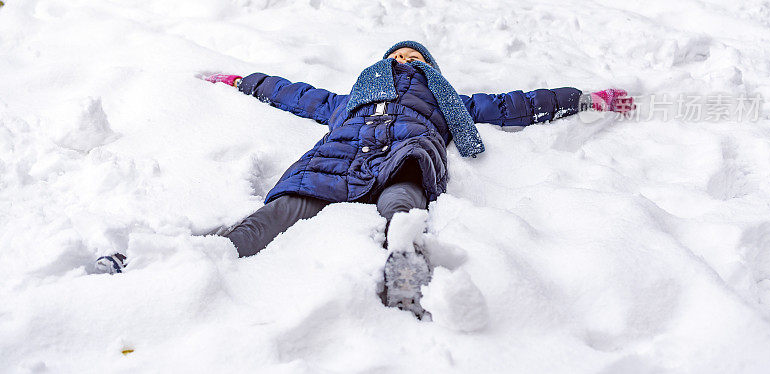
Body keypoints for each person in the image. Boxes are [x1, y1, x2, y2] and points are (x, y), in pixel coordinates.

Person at [96, 41, 634, 317]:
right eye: (398, 54)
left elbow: (516, 104)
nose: (405, 58)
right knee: (273, 216)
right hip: (333, 162)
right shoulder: (350, 102)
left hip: (402, 155)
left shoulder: (446, 103)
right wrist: (243, 79)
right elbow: (294, 93)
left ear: (431, 71)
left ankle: (405, 265)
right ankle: (171, 258)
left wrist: (583, 98)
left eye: (415, 56)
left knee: (404, 199)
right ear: (378, 67)